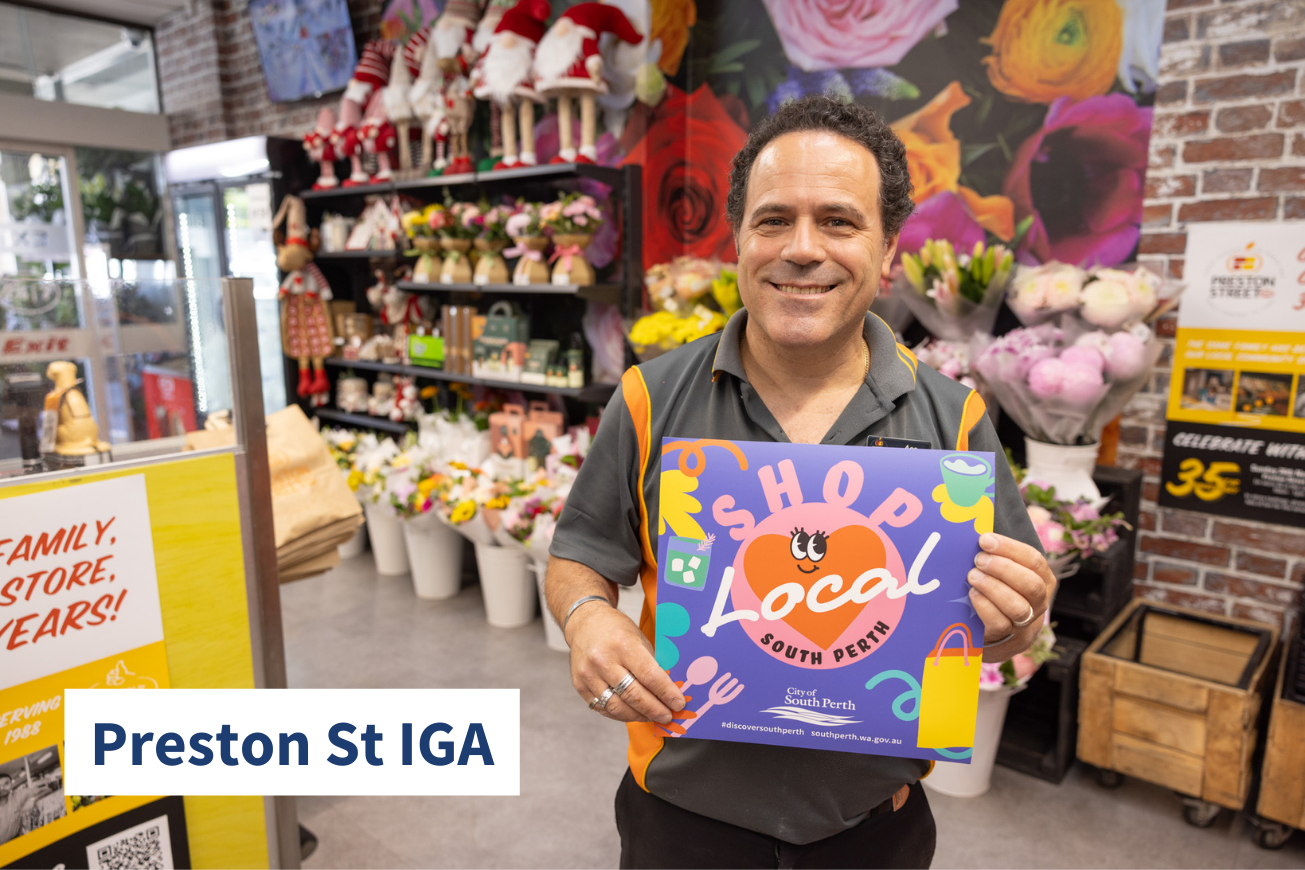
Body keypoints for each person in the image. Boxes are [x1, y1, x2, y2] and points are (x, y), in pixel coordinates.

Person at [545, 95, 1056, 869]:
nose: (801, 249)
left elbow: (1001, 625)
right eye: (774, 219)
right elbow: (578, 554)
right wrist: (587, 619)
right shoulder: (651, 398)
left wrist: (1018, 613)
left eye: (839, 222)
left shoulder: (953, 420)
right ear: (740, 240)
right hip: (680, 823)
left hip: (871, 832)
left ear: (887, 251)